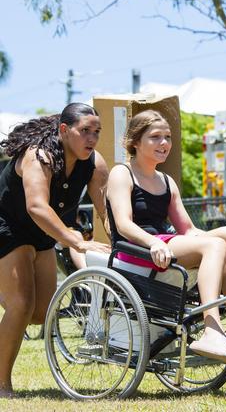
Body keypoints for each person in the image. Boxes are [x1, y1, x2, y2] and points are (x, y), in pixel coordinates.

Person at [106, 110, 226, 367]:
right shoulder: (122, 173)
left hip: (165, 244)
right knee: (215, 243)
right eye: (155, 137)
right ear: (135, 142)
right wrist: (153, 242)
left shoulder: (166, 181)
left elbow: (188, 230)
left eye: (167, 137)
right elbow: (123, 224)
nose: (164, 143)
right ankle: (211, 329)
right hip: (136, 249)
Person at [0, 103, 111, 397]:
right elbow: (36, 206)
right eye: (84, 131)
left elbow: (106, 212)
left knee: (40, 313)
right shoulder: (40, 157)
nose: (92, 138)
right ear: (64, 130)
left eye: (96, 132)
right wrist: (75, 240)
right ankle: (1, 385)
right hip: (7, 226)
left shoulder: (95, 164)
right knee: (21, 303)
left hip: (42, 232)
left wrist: (123, 243)